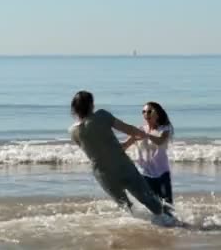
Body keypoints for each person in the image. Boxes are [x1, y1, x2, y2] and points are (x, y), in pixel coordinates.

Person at [69, 90, 174, 221]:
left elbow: (93, 150)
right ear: (91, 104)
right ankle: (170, 222)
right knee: (149, 200)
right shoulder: (102, 115)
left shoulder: (73, 131)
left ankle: (146, 227)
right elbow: (127, 129)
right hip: (122, 166)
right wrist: (142, 134)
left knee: (126, 207)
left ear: (75, 108)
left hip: (103, 174)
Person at [123, 102, 174, 212]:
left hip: (162, 174)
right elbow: (125, 145)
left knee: (167, 205)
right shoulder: (139, 129)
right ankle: (157, 227)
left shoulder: (165, 129)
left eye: (149, 111)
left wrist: (146, 135)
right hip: (145, 174)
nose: (146, 114)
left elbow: (160, 141)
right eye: (144, 112)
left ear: (158, 113)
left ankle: (173, 226)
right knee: (153, 206)